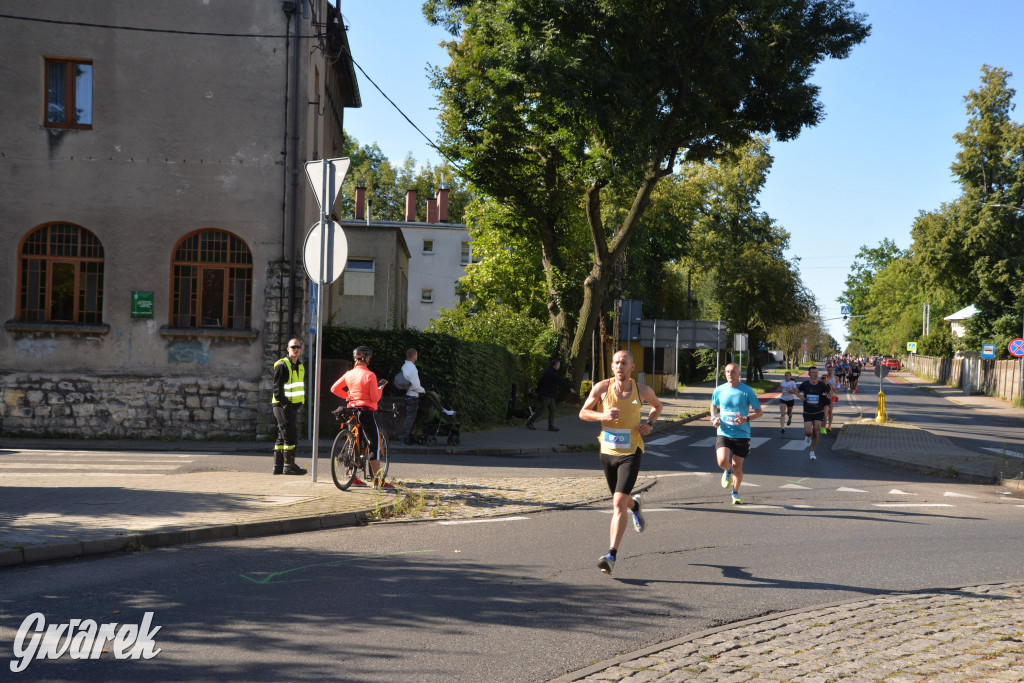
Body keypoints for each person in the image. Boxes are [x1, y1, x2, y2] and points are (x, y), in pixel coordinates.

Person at [579, 350, 663, 576]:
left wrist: (649, 424)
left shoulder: (642, 390)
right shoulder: (602, 388)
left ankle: (611, 555)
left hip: (631, 452)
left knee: (617, 502)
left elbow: (657, 406)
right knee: (622, 501)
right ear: (612, 366)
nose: (619, 366)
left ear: (632, 367)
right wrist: (603, 416)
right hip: (607, 452)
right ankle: (635, 506)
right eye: (616, 362)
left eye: (624, 363)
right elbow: (583, 413)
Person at [331, 346, 393, 489]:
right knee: (374, 443)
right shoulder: (370, 375)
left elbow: (334, 388)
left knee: (353, 442)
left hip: (351, 410)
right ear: (367, 359)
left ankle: (352, 476)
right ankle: (378, 481)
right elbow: (375, 398)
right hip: (366, 411)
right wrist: (380, 389)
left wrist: (348, 396)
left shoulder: (349, 374)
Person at [711, 362, 764, 505]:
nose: (730, 374)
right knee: (722, 461)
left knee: (737, 466)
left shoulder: (747, 391)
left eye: (733, 371)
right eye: (727, 371)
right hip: (724, 432)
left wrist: (746, 419)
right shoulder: (719, 390)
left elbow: (759, 412)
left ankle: (735, 493)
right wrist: (713, 418)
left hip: (742, 434)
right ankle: (727, 471)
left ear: (739, 374)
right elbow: (713, 405)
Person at [271, 337, 308, 475]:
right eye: (293, 347)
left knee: (282, 435)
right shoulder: (282, 364)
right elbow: (277, 387)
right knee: (290, 434)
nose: (296, 349)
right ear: (288, 349)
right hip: (282, 405)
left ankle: (278, 466)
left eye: (298, 347)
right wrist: (285, 403)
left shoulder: (300, 366)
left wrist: (298, 403)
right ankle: (289, 466)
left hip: (293, 406)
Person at [525, 359, 571, 431]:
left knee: (552, 409)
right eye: (559, 365)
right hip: (546, 394)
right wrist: (569, 388)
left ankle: (551, 426)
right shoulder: (552, 373)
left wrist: (537, 391)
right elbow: (560, 381)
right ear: (556, 365)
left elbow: (540, 382)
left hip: (550, 395)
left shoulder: (547, 371)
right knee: (542, 410)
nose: (559, 366)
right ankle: (529, 423)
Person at [794, 366, 830, 460]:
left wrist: (828, 395)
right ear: (809, 374)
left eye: (816, 372)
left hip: (819, 411)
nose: (815, 374)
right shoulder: (805, 384)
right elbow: (796, 391)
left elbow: (830, 393)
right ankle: (808, 437)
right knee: (808, 432)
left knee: (816, 432)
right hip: (808, 411)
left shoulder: (822, 385)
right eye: (813, 372)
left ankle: (812, 451)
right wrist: (800, 396)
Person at [400, 348, 426, 445]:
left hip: (407, 394)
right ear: (414, 356)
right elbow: (415, 386)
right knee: (410, 419)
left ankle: (408, 437)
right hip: (412, 396)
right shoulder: (412, 368)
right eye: (416, 355)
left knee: (409, 418)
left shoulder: (404, 366)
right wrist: (423, 390)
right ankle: (406, 439)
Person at [778, 370, 797, 435]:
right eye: (785, 375)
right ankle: (782, 428)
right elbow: (779, 389)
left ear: (790, 376)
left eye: (788, 376)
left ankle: (790, 417)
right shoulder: (782, 382)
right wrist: (780, 388)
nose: (786, 377)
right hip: (783, 399)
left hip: (790, 400)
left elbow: (796, 391)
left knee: (789, 412)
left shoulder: (792, 383)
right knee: (782, 413)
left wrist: (790, 391)